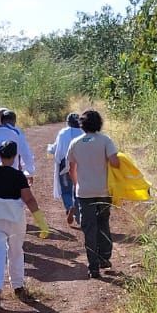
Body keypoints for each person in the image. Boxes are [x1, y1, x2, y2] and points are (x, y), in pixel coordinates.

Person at [0, 139, 46, 310]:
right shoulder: (18, 176)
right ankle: (18, 286)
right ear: (15, 156)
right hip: (15, 219)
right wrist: (41, 222)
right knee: (15, 251)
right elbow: (29, 199)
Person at [66, 108, 120, 279]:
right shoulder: (105, 140)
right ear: (99, 124)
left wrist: (78, 185)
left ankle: (93, 267)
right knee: (103, 223)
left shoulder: (75, 143)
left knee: (89, 229)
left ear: (82, 125)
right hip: (103, 190)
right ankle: (104, 257)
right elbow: (115, 163)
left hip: (84, 192)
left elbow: (71, 169)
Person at [46, 111, 83, 227]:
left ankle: (69, 206)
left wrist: (49, 149)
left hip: (65, 165)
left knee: (66, 189)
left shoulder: (63, 133)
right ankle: (78, 214)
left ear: (68, 122)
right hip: (80, 164)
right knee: (78, 188)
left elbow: (56, 149)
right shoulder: (84, 132)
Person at [0, 108, 35, 179]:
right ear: (14, 121)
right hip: (10, 173)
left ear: (1, 120)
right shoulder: (17, 133)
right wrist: (29, 172)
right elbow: (26, 154)